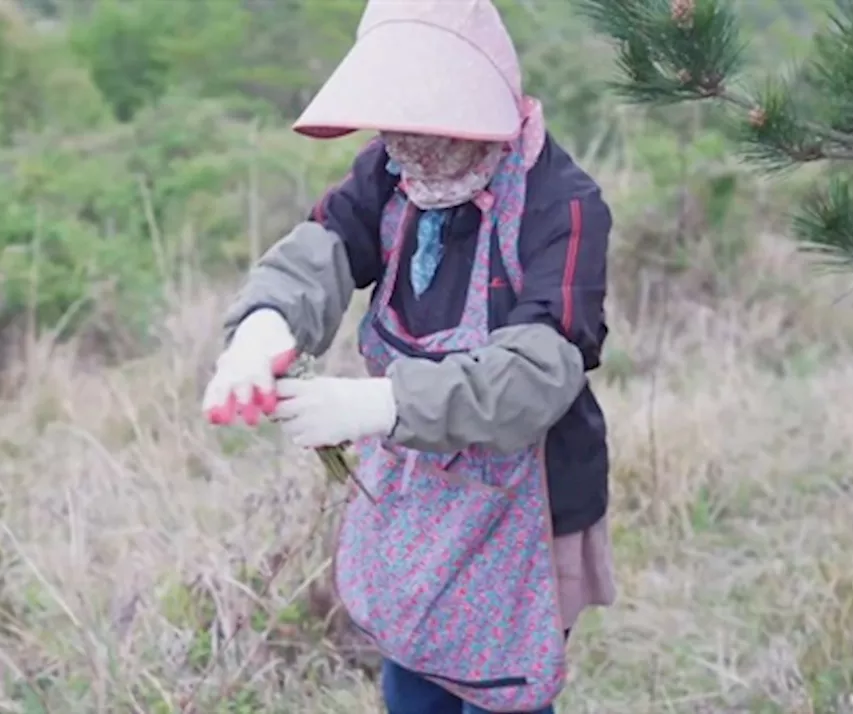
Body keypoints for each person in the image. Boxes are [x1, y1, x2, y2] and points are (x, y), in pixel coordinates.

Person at [201, 1, 616, 712]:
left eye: (429, 129)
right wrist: (260, 334)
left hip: (528, 504)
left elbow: (540, 373)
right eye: (395, 126)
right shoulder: (391, 174)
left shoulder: (563, 205)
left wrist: (377, 403)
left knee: (501, 689)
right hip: (416, 490)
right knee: (412, 668)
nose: (407, 149)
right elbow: (323, 250)